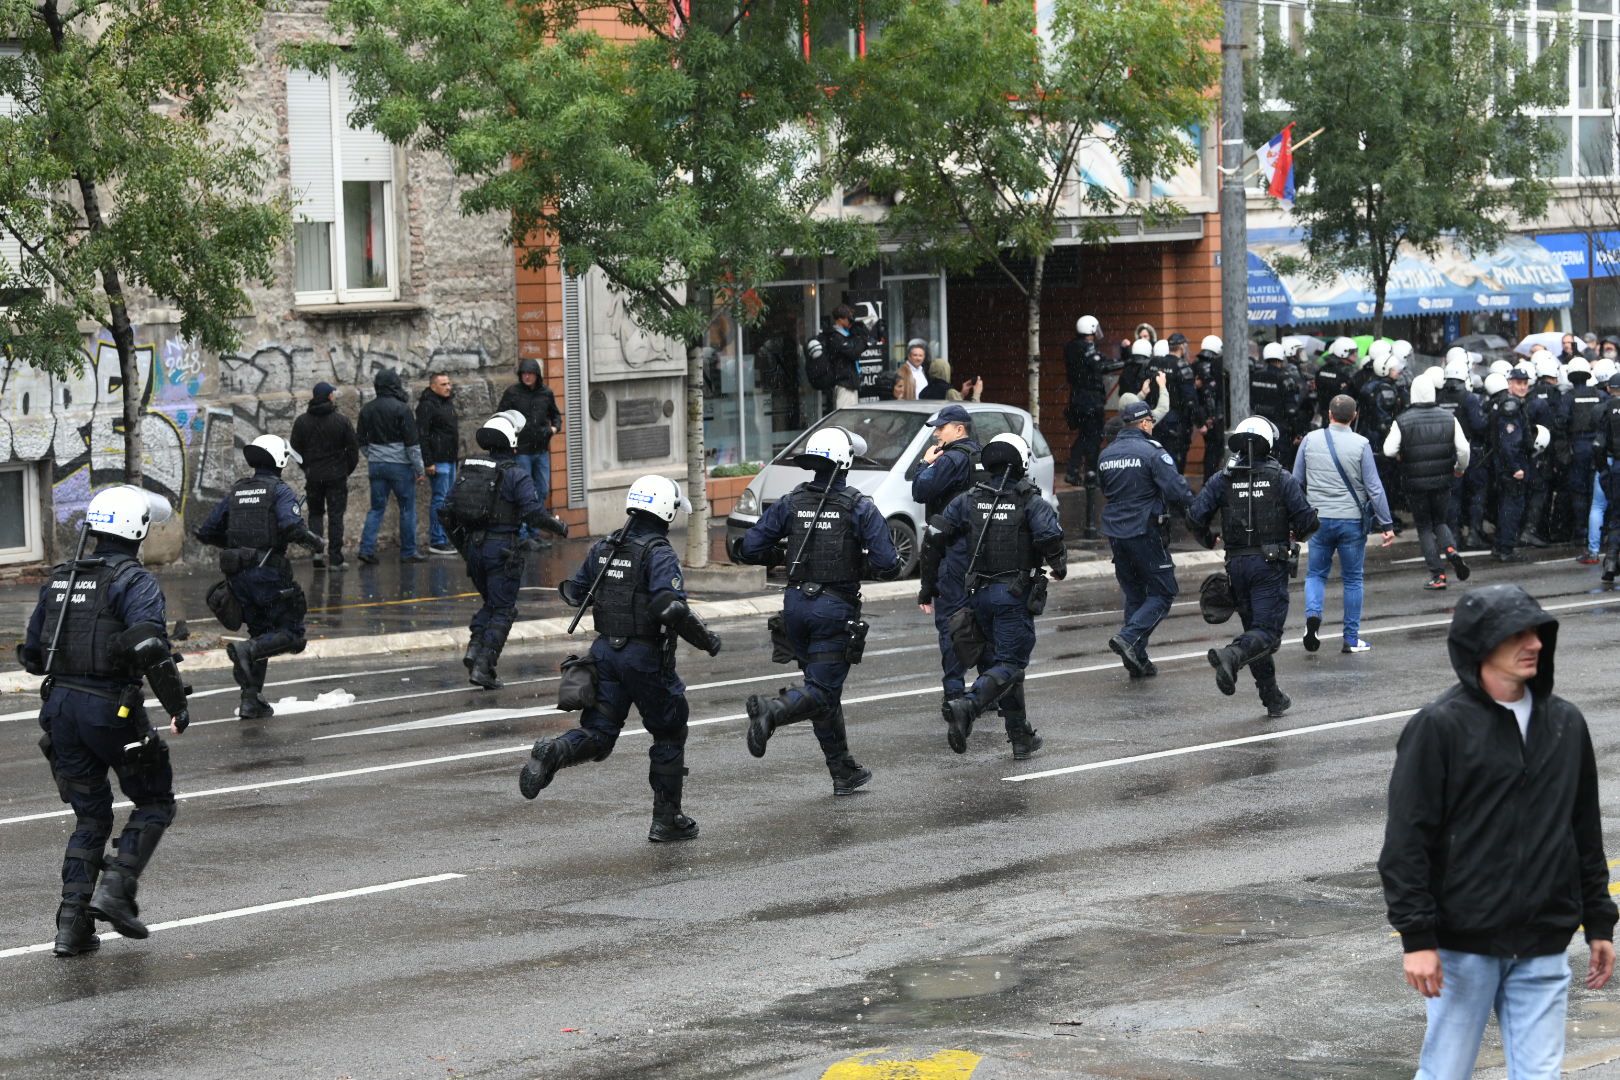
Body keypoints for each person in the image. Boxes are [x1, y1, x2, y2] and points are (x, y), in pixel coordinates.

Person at [1378, 584, 1615, 1080]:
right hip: (1464, 945)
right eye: (1517, 634)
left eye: (1537, 633)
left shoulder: (1565, 724)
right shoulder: (1439, 727)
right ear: (1481, 645)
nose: (1533, 644)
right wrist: (1417, 938)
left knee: (1540, 1075)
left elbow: (1583, 831)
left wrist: (1598, 922)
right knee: (1446, 1072)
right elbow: (1406, 842)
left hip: (1543, 939)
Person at [18, 486, 190, 954]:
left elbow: (32, 656)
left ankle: (71, 927)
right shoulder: (132, 581)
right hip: (109, 709)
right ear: (137, 529)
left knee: (90, 815)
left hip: (59, 710)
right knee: (155, 801)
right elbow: (150, 646)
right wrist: (177, 704)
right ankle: (117, 890)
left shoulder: (60, 578)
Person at [518, 476, 721, 842]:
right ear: (663, 508)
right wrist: (707, 640)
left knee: (599, 733)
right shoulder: (658, 552)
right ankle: (666, 819)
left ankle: (555, 751)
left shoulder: (604, 546)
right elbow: (668, 606)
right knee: (670, 731)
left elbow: (574, 592)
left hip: (605, 654)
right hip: (644, 657)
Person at [738, 427, 900, 795]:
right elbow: (888, 563)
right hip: (834, 607)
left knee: (823, 692)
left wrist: (785, 550)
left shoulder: (791, 501)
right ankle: (772, 710)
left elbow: (748, 548)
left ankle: (843, 770)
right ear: (845, 463)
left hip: (794, 607)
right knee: (822, 690)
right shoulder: (859, 505)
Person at [920, 433, 1065, 759]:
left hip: (977, 596)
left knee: (1003, 667)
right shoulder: (1030, 500)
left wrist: (928, 586)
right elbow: (1050, 536)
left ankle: (1020, 736)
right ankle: (968, 707)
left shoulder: (970, 499)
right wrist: (1059, 565)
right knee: (1011, 664)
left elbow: (934, 536)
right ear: (1023, 462)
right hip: (1012, 597)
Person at [1189, 417, 1318, 717]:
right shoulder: (1281, 477)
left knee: (1255, 632)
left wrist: (1209, 539)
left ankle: (1271, 697)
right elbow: (1308, 522)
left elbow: (1195, 516)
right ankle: (1230, 655)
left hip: (1236, 565)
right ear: (1269, 442)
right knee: (1268, 634)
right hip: (1269, 566)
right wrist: (1295, 533)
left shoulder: (1222, 479)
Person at [195, 435, 325, 719]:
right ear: (279, 459)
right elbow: (292, 527)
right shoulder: (279, 490)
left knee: (262, 633)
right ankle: (246, 651)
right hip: (269, 575)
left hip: (238, 577)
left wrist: (240, 549)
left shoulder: (238, 491)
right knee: (292, 635)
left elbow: (207, 531)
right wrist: (316, 542)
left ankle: (250, 700)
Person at [441, 410, 569, 690]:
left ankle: (475, 650)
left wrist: (464, 546)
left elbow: (445, 511)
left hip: (474, 549)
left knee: (492, 604)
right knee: (504, 609)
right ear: (512, 442)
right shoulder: (515, 475)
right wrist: (559, 527)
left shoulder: (471, 469)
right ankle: (485, 667)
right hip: (501, 551)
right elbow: (533, 513)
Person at [1097, 399, 1194, 677]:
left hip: (1116, 533)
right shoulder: (1152, 451)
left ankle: (1137, 658)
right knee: (1164, 591)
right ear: (1145, 423)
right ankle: (1129, 638)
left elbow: (1107, 491)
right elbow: (1177, 490)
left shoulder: (1107, 454)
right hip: (1145, 531)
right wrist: (1196, 513)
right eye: (1150, 422)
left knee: (1135, 594)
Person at [1293, 395, 1395, 655]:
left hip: (1318, 520)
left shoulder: (1309, 440)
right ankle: (1350, 638)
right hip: (1351, 521)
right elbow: (1374, 488)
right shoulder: (1361, 444)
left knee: (1316, 574)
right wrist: (1386, 523)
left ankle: (1313, 617)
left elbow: (1295, 482)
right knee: (1352, 579)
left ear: (1328, 414)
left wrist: (1295, 518)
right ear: (1354, 416)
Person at [907, 404, 981, 707]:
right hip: (979, 548)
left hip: (952, 548)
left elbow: (920, 490)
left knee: (952, 622)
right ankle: (989, 688)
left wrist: (925, 464)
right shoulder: (980, 457)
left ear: (959, 429)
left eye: (942, 427)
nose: (937, 433)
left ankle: (954, 691)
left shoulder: (951, 458)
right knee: (981, 620)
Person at [1385, 372, 1471, 590]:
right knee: (1440, 521)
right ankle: (1451, 549)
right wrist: (1459, 469)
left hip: (1414, 482)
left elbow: (1388, 450)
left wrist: (1402, 453)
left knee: (1424, 527)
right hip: (1443, 479)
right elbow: (1463, 449)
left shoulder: (1403, 420)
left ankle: (1438, 575)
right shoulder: (1448, 417)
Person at [356, 367, 426, 564]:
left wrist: (375, 455)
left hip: (376, 465)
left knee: (376, 508)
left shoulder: (367, 409)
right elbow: (412, 444)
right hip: (400, 467)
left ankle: (366, 549)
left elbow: (360, 441)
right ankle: (408, 551)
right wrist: (419, 469)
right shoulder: (402, 408)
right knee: (407, 509)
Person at [289, 380, 359, 570]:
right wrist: (345, 470)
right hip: (336, 476)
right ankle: (336, 558)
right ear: (329, 396)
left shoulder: (302, 421)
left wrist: (307, 468)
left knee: (315, 514)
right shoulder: (341, 420)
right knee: (336, 516)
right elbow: (353, 450)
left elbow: (295, 449)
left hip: (314, 476)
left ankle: (317, 552)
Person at [496, 357, 564, 541]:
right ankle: (523, 532)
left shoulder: (546, 393)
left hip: (541, 450)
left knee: (541, 490)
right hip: (521, 451)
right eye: (524, 373)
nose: (527, 377)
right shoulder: (512, 393)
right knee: (524, 491)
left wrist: (554, 428)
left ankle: (534, 530)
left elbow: (556, 415)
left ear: (537, 375)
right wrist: (510, 444)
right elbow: (501, 418)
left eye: (530, 374)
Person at [1489, 369, 1536, 564]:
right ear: (1509, 384)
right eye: (1518, 383)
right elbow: (1510, 443)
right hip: (1511, 466)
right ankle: (1506, 548)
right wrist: (1516, 467)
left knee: (1507, 506)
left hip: (1505, 464)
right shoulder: (1511, 406)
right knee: (1512, 507)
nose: (1523, 386)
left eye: (1525, 383)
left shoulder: (1508, 403)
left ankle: (1501, 545)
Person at [416, 371, 461, 556]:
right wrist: (428, 461)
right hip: (438, 461)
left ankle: (444, 538)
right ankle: (437, 540)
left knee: (447, 501)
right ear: (433, 386)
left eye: (449, 383)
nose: (448, 387)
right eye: (443, 384)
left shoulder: (447, 403)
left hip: (450, 459)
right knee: (440, 500)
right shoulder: (427, 406)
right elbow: (422, 435)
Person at [1063, 315, 1110, 487]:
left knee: (1084, 435)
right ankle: (1090, 472)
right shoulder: (1087, 347)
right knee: (1094, 436)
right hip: (1090, 399)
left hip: (1077, 398)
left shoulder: (1071, 347)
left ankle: (1073, 470)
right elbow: (1100, 365)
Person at [1563, 358, 1603, 554]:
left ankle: (1581, 531)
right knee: (1596, 493)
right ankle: (1597, 532)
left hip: (1578, 447)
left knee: (1579, 491)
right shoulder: (1599, 395)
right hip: (1596, 446)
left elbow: (1560, 423)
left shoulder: (1568, 397)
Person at [1193, 335, 1225, 481]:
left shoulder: (1195, 364)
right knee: (1214, 451)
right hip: (1210, 417)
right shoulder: (1209, 366)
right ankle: (1210, 481)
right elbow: (1209, 394)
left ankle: (1209, 480)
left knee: (1210, 450)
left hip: (1200, 414)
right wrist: (1211, 417)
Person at [1314, 337, 1358, 428]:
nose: (1355, 355)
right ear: (1343, 353)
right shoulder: (1348, 373)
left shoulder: (1322, 369)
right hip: (1342, 419)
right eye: (1353, 353)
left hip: (1325, 415)